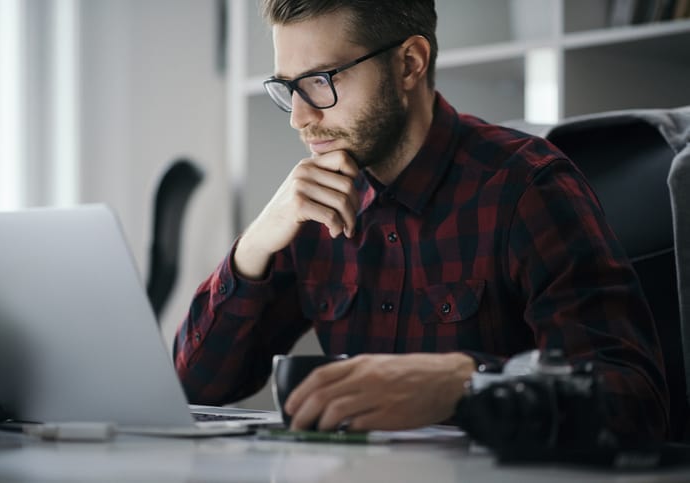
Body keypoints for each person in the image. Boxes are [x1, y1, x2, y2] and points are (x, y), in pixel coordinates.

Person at [174, 0, 669, 443]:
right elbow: (198, 388)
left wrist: (465, 384)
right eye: (288, 87)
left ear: (410, 63)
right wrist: (254, 246)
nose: (299, 118)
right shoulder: (313, 206)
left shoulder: (528, 188)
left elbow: (634, 400)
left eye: (322, 80)